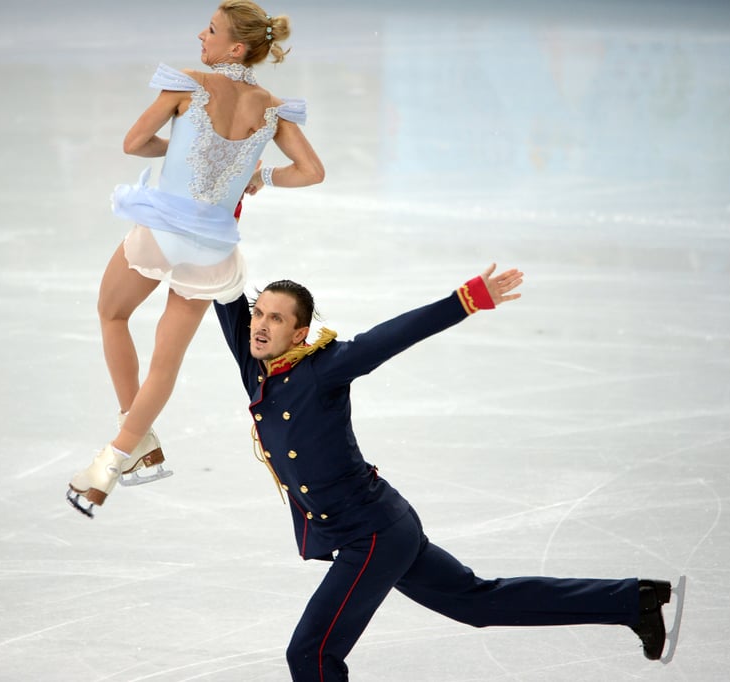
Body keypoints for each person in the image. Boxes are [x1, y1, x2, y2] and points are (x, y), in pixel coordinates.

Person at [213, 266, 678, 680]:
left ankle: (631, 601)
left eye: (277, 318)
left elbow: (388, 337)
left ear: (300, 333)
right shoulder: (254, 365)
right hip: (379, 525)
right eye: (259, 314)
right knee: (477, 602)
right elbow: (218, 282)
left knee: (311, 655)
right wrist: (213, 217)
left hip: (370, 534)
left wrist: (465, 300)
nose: (260, 325)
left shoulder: (324, 370)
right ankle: (632, 600)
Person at [67, 1, 325, 517]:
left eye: (210, 30)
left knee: (112, 314)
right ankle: (115, 460)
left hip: (162, 231)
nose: (199, 35)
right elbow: (312, 171)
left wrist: (181, 149)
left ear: (235, 47)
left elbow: (134, 143)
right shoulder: (272, 108)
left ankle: (135, 438)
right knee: (167, 362)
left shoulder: (189, 84)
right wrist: (260, 175)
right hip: (211, 250)